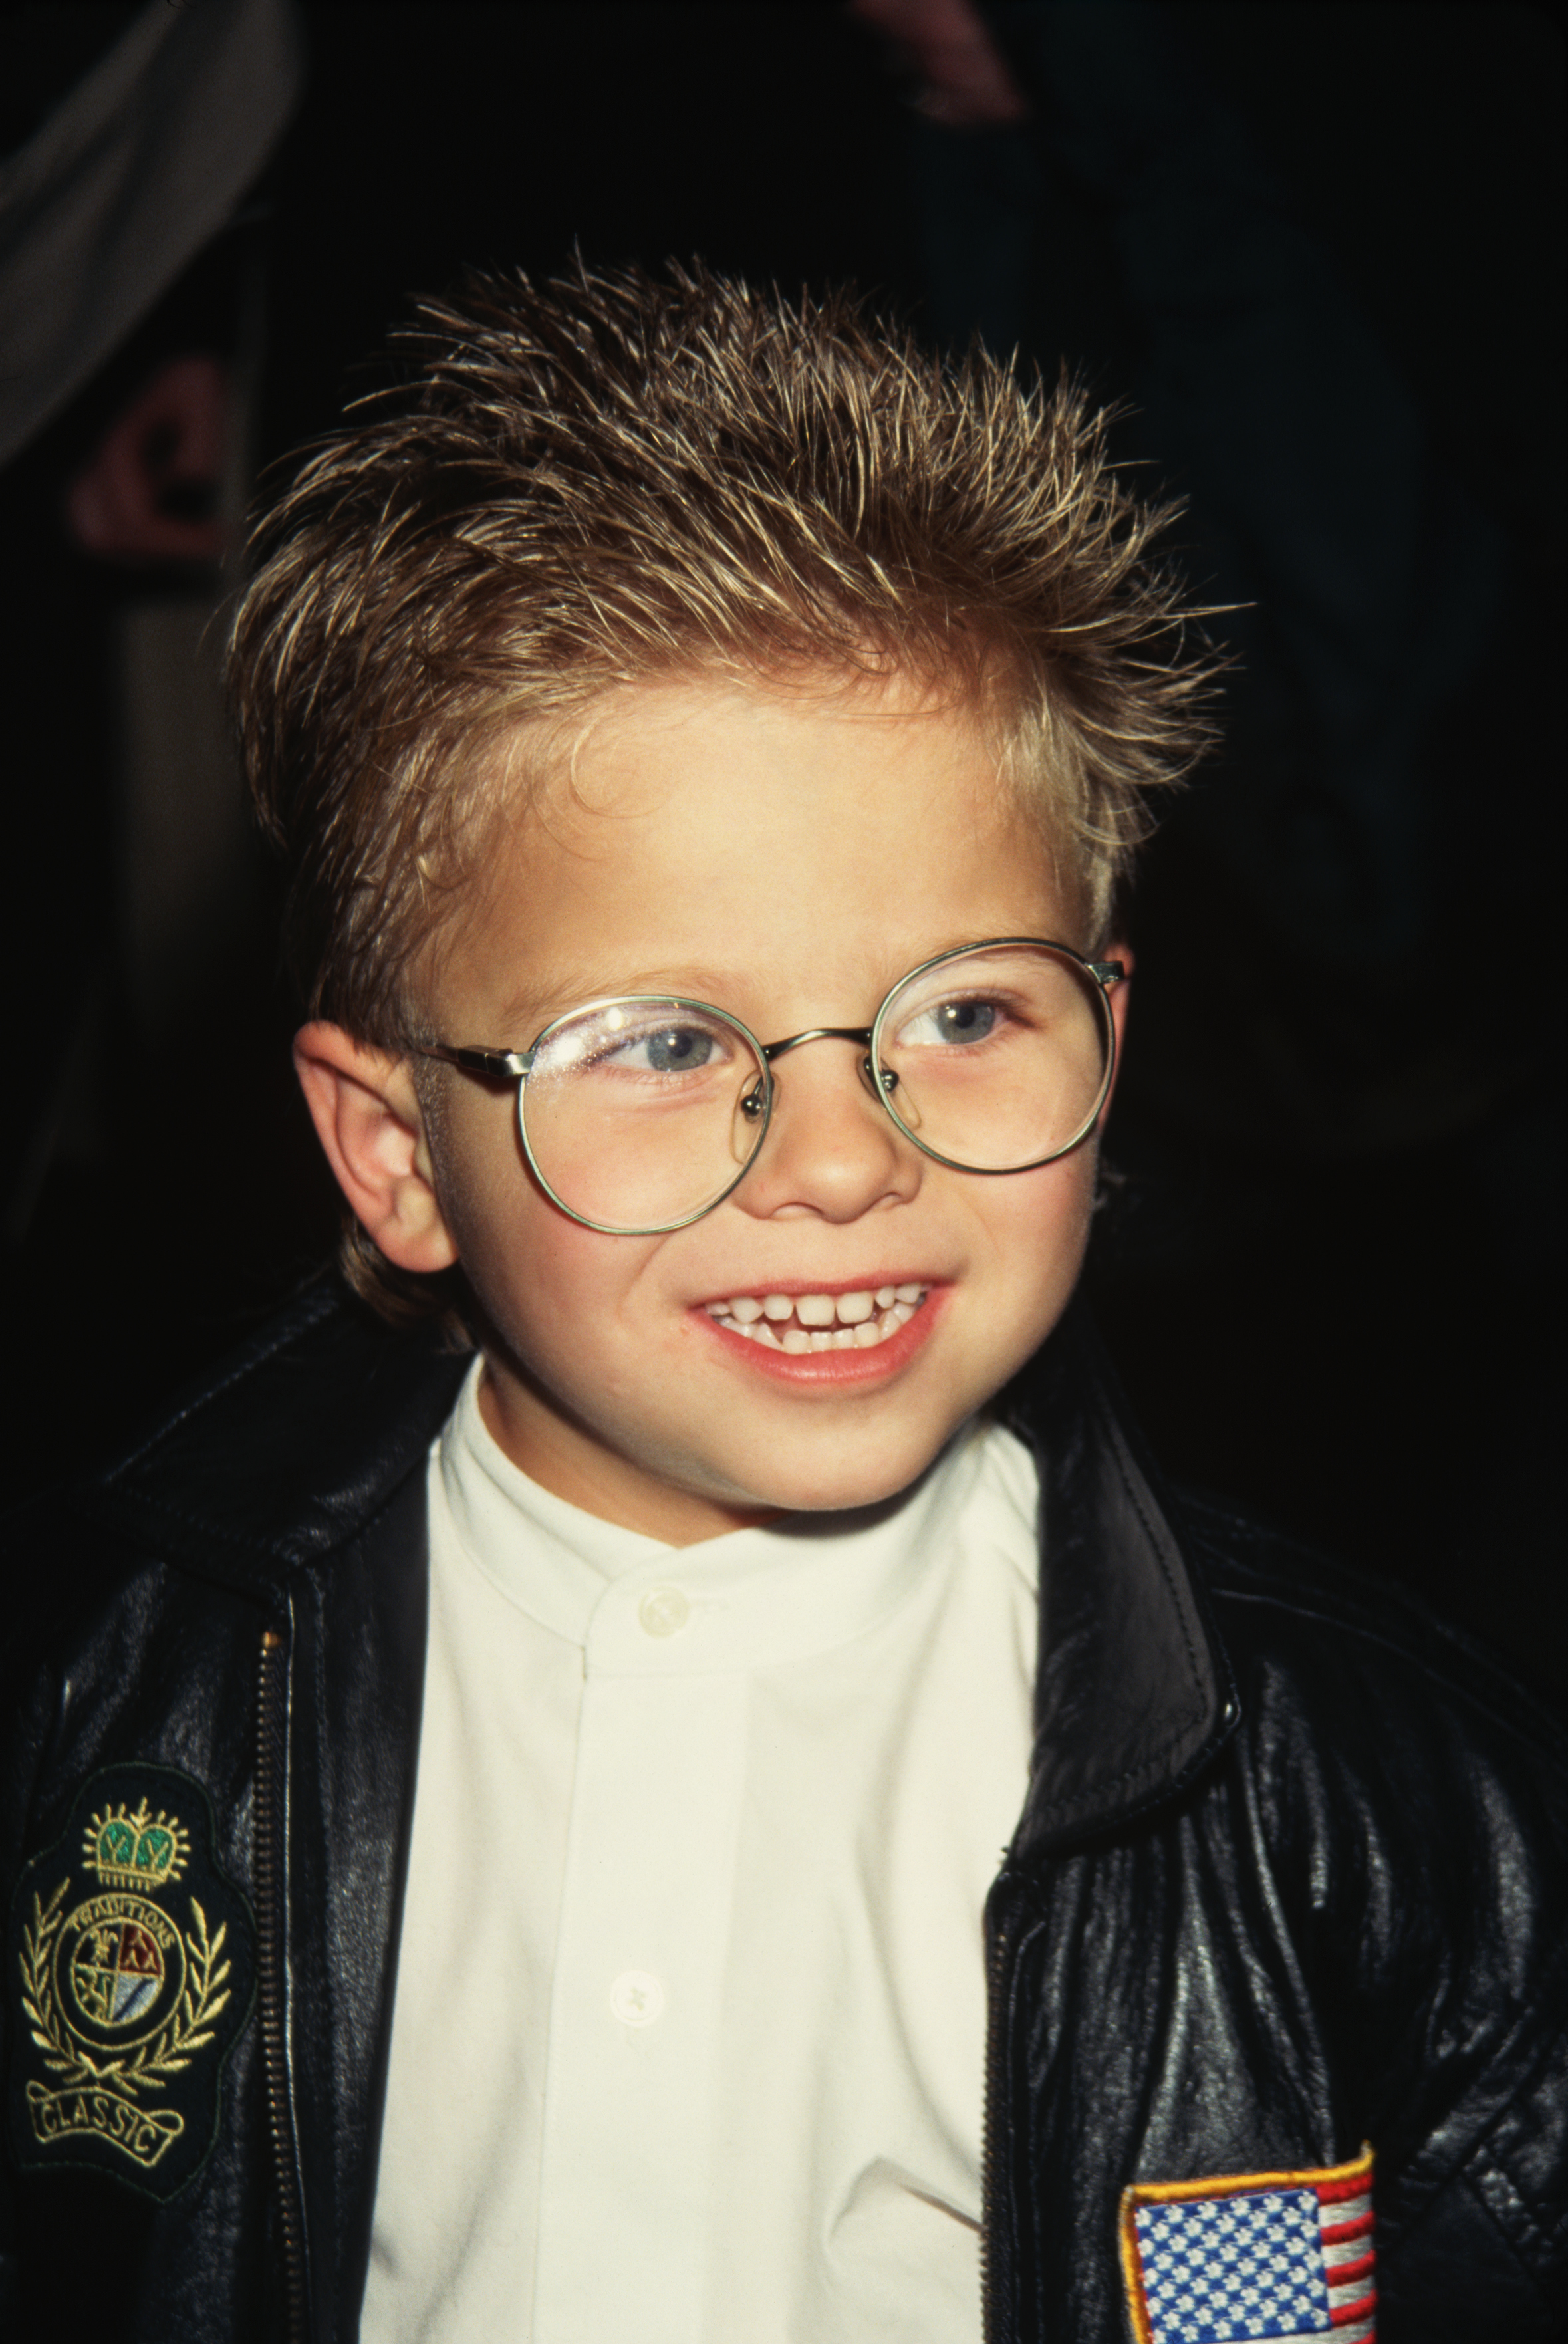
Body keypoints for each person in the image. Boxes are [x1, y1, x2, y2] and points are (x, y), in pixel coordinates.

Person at [2, 263, 1563, 2344]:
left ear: (1112, 1034)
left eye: (969, 1009)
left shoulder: (1376, 1814)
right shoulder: (113, 1701)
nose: (845, 1159)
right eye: (658, 1041)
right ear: (395, 1155)